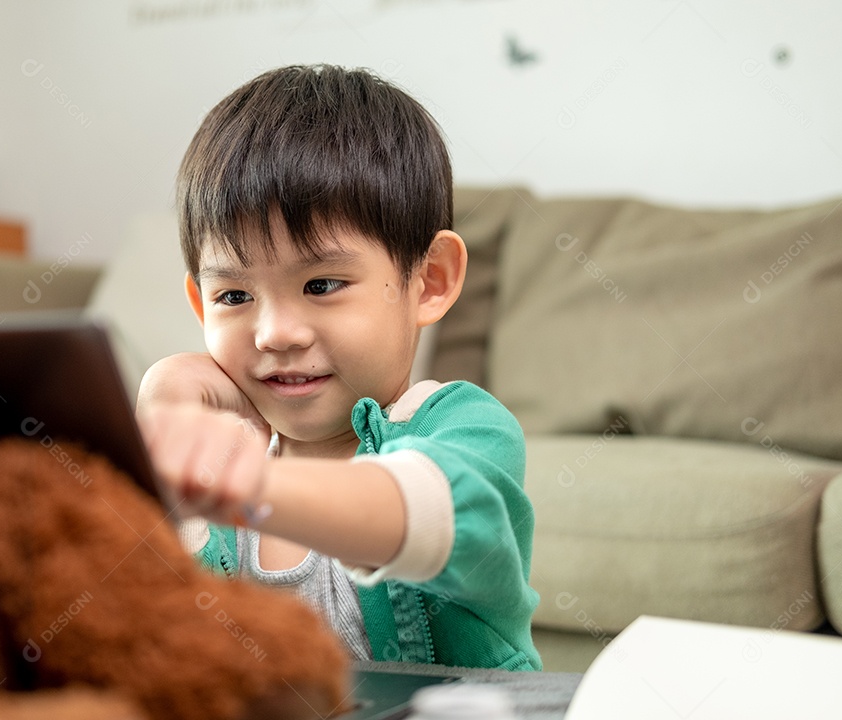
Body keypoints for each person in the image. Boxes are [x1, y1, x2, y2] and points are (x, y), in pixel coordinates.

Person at [136, 64, 541, 671]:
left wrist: (238, 482)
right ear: (200, 304)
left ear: (429, 280)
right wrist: (160, 455)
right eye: (235, 296)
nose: (274, 333)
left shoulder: (466, 429)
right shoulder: (226, 470)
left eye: (322, 283)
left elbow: (425, 512)